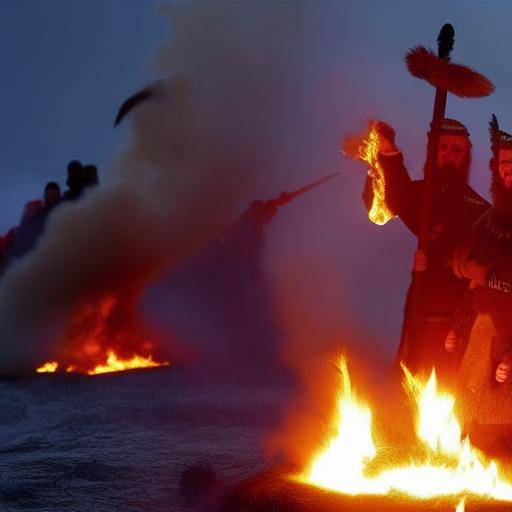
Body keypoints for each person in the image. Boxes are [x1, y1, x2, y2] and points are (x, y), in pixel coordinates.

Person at [364, 119, 489, 378]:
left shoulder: (477, 207)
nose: (449, 155)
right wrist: (389, 153)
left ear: (466, 156)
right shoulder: (423, 193)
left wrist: (440, 258)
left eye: (457, 150)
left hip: (458, 314)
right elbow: (399, 198)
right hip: (421, 306)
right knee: (412, 379)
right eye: (444, 148)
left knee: (451, 386)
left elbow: (482, 254)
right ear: (434, 150)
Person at [450, 116, 512, 454]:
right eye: (504, 162)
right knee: (472, 422)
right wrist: (470, 268)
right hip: (484, 333)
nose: (509, 169)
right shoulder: (486, 223)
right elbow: (461, 259)